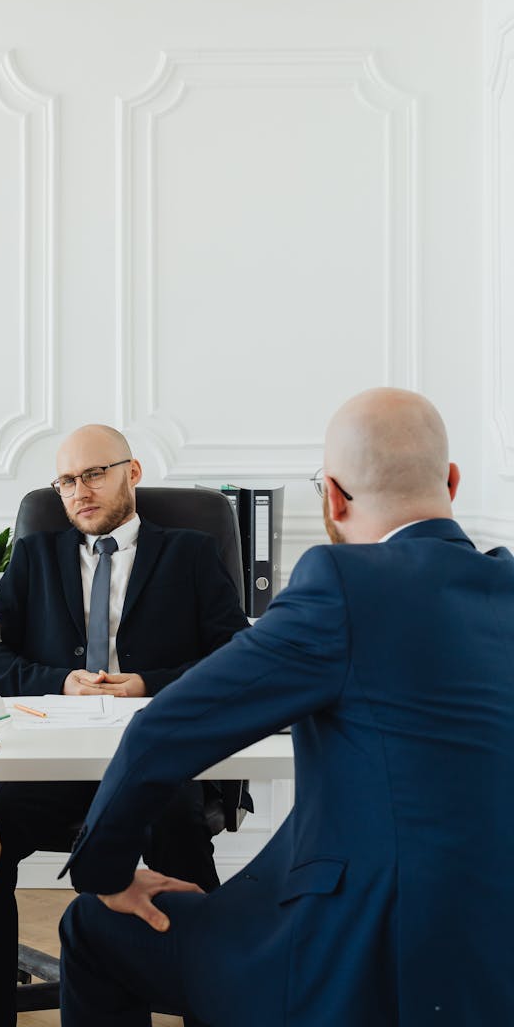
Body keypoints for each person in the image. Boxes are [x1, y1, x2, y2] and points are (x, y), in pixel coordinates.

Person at [59, 389, 514, 1027]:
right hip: (492, 954)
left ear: (330, 495)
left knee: (92, 925)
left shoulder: (344, 583)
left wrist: (105, 873)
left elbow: (163, 731)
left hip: (361, 952)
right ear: (454, 482)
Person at [0, 423, 248, 1027]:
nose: (79, 491)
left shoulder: (188, 553)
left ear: (133, 473)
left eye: (94, 473)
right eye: (67, 481)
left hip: (152, 764)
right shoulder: (36, 555)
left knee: (176, 828)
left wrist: (150, 681)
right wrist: (56, 681)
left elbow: (236, 654)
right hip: (54, 764)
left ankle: (214, 999)